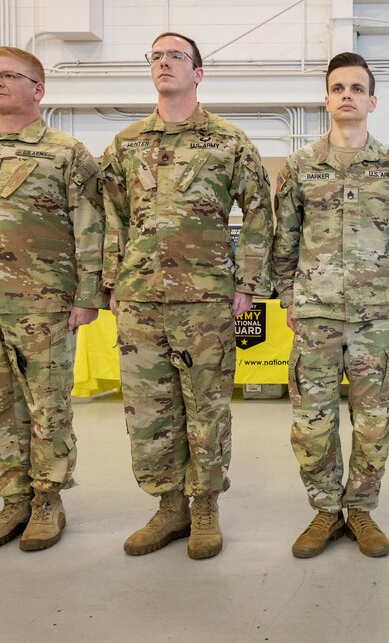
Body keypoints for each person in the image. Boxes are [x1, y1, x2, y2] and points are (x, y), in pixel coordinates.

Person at [102, 32, 273, 560]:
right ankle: (168, 505)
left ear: (198, 73)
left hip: (207, 300)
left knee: (207, 410)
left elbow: (262, 212)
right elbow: (109, 216)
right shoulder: (126, 143)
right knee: (148, 411)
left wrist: (247, 284)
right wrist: (110, 282)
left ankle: (204, 508)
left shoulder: (229, 141)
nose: (164, 63)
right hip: (140, 299)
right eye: (155, 56)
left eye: (176, 56)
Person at [0, 47, 106, 552]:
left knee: (47, 408)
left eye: (9, 76)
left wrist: (87, 296)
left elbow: (91, 228)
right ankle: (11, 499)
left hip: (44, 305)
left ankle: (47, 501)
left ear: (38, 88)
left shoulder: (65, 152)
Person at [273, 52, 389, 559]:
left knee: (373, 420)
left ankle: (361, 510)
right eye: (339, 87)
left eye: (357, 88)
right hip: (314, 313)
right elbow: (285, 240)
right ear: (327, 99)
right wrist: (291, 296)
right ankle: (324, 511)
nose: (348, 95)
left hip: (374, 313)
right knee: (312, 421)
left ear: (372, 100)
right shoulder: (299, 167)